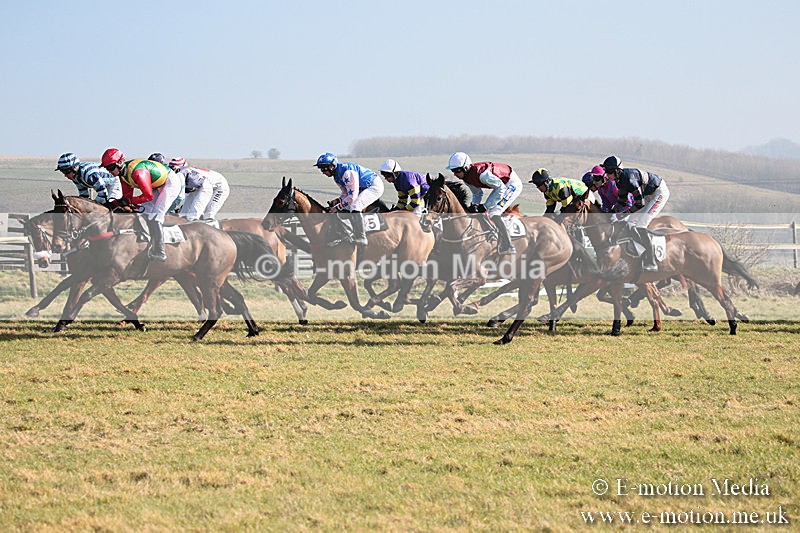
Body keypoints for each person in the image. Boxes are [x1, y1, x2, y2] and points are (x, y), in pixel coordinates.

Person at [101, 148, 182, 262]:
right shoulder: (123, 175)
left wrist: (131, 201)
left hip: (170, 183)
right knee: (144, 213)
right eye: (106, 168)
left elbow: (148, 197)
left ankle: (160, 251)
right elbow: (127, 198)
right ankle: (146, 244)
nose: (109, 171)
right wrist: (113, 204)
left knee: (155, 216)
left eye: (110, 167)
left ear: (119, 164)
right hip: (155, 185)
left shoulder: (138, 173)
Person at [601, 155, 671, 271]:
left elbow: (640, 204)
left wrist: (621, 215)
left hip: (659, 193)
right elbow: (622, 202)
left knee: (640, 225)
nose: (607, 175)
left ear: (617, 171)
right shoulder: (619, 181)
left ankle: (652, 260)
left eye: (609, 172)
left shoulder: (629, 179)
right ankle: (643, 253)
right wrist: (611, 213)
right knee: (630, 222)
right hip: (648, 195)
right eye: (606, 171)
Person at [445, 152, 522, 255]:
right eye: (453, 170)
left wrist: (485, 206)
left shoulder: (482, 175)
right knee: (484, 211)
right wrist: (475, 206)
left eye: (457, 170)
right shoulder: (466, 178)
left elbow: (501, 188)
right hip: (501, 186)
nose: (455, 174)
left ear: (466, 168)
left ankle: (508, 245)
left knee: (494, 212)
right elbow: (477, 193)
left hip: (511, 184)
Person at [314, 152, 385, 246]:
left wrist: (337, 207)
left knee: (355, 206)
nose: (322, 172)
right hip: (362, 188)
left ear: (332, 166)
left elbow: (352, 197)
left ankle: (361, 237)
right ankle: (345, 234)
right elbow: (345, 194)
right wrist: (338, 201)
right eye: (320, 169)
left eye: (324, 168)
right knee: (345, 208)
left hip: (373, 186)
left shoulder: (347, 173)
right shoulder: (336, 176)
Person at [168, 156, 230, 221]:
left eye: (173, 168)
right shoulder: (184, 173)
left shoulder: (187, 174)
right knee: (183, 214)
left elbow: (205, 190)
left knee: (207, 214)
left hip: (219, 187)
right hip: (202, 184)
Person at [54, 152, 122, 206]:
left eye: (66, 171)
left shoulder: (89, 175)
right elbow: (84, 195)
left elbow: (103, 194)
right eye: (63, 172)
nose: (65, 175)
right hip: (103, 187)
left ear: (74, 167)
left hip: (113, 184)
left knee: (110, 205)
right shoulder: (75, 177)